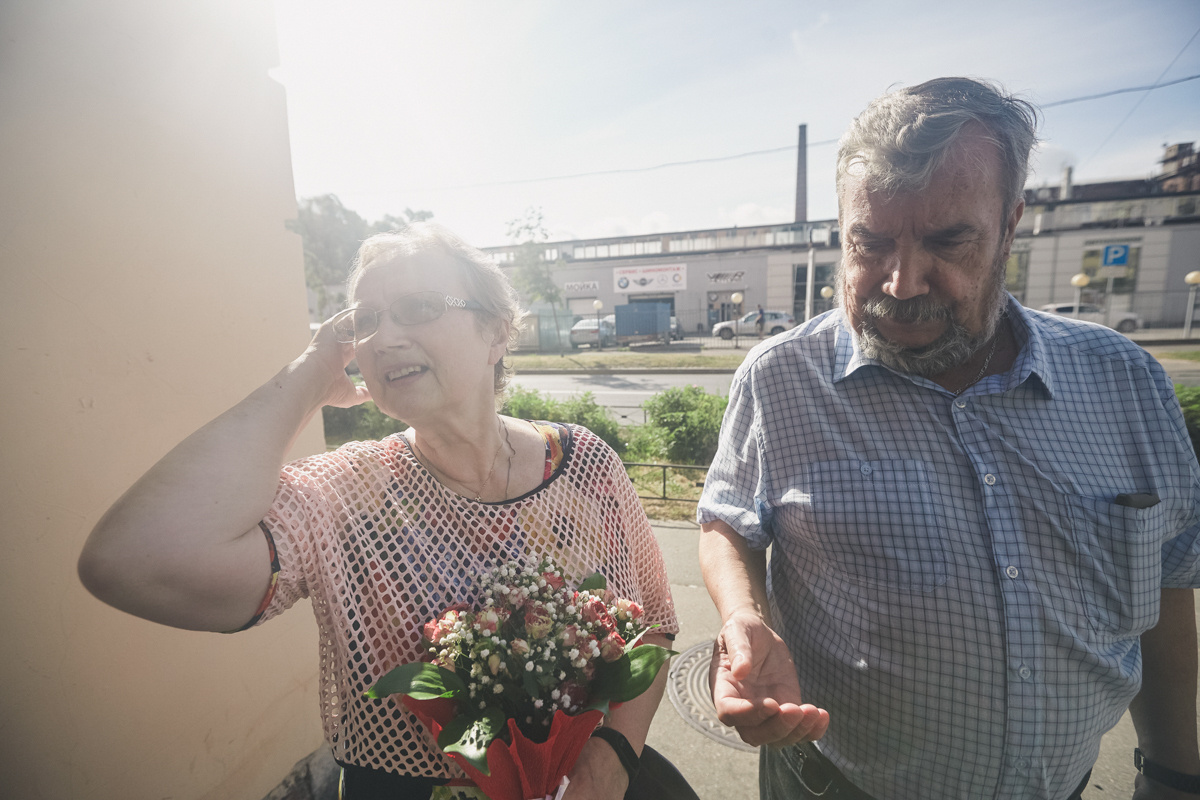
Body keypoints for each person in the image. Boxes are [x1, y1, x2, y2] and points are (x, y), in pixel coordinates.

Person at [698, 77, 1200, 800]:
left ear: (1011, 223)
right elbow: (727, 518)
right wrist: (744, 617)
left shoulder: (1125, 382)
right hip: (834, 784)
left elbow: (1170, 576)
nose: (900, 284)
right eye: (868, 244)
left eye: (947, 240)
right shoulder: (781, 379)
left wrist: (1177, 770)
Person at [79, 223, 694, 800]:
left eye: (419, 307)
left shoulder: (585, 465)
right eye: (364, 322)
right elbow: (130, 560)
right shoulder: (345, 493)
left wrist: (614, 751)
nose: (383, 337)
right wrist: (311, 373)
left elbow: (655, 625)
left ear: (497, 330)